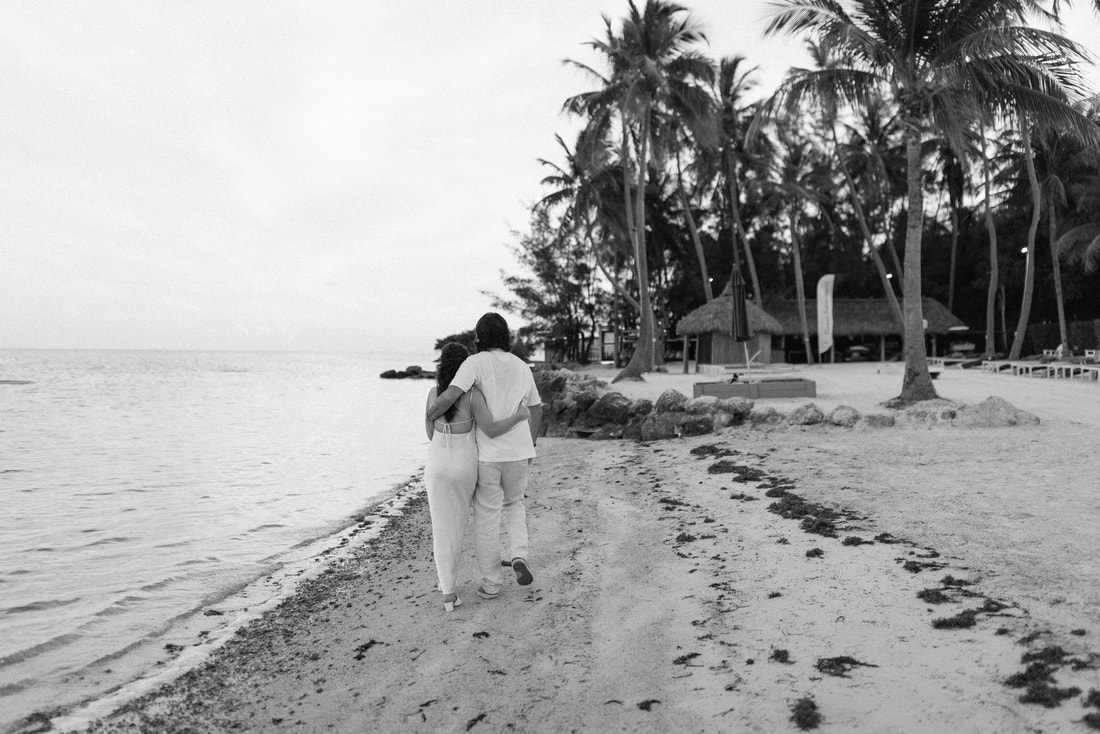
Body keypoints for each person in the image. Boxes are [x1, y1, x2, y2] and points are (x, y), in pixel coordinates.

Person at [427, 313, 543, 600]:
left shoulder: (474, 363)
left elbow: (451, 394)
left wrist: (430, 414)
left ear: (480, 337)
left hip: (488, 456)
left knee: (487, 518)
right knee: (516, 504)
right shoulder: (521, 366)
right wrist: (531, 445)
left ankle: (492, 584)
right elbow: (537, 409)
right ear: (506, 335)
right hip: (518, 452)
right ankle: (518, 555)